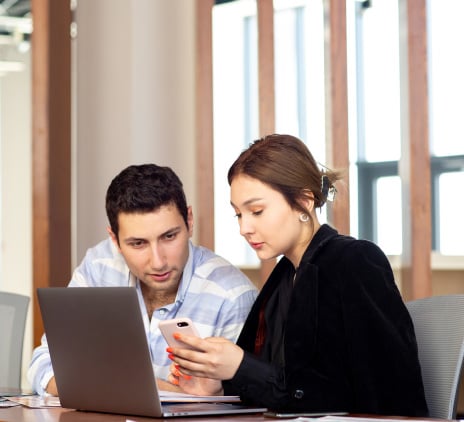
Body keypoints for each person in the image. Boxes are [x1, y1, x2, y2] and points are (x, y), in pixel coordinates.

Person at [166, 134, 429, 417]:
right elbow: (279, 385)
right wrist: (216, 383)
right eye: (238, 215)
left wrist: (241, 366)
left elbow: (368, 393)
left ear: (304, 201)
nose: (244, 227)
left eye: (256, 211)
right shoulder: (284, 275)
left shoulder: (355, 261)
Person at [28, 163, 258, 396]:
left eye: (169, 236)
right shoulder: (99, 267)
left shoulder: (232, 297)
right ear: (115, 240)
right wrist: (168, 391)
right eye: (138, 243)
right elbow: (44, 363)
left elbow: (241, 405)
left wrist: (100, 384)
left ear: (189, 221)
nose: (158, 262)